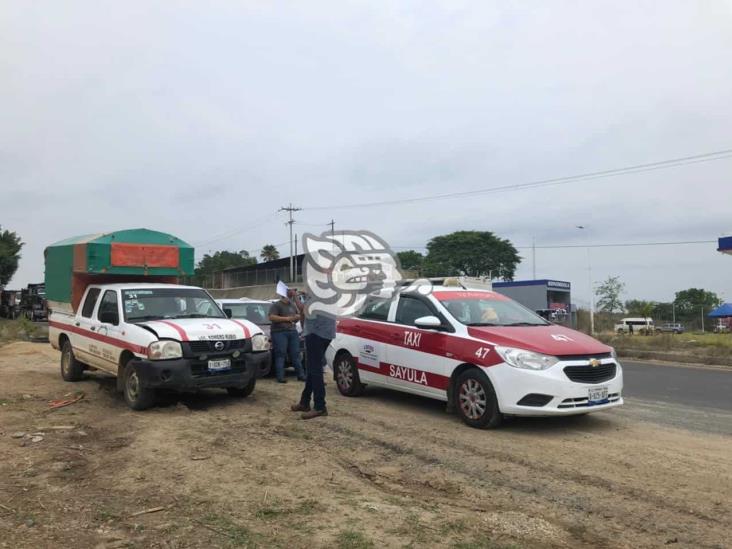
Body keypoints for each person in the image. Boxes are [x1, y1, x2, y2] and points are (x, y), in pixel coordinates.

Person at [290, 293, 335, 419]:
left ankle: (320, 406)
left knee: (315, 370)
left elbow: (304, 310)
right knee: (312, 368)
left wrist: (295, 297)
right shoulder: (328, 289)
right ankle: (304, 402)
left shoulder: (317, 289)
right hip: (326, 332)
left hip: (316, 333)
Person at [268, 282, 306, 383]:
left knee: (296, 354)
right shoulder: (276, 305)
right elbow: (271, 317)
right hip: (279, 332)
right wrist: (287, 318)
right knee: (280, 354)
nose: (292, 292)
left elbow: (298, 315)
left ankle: (301, 375)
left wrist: (297, 318)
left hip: (292, 331)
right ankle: (280, 377)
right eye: (290, 291)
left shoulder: (292, 305)